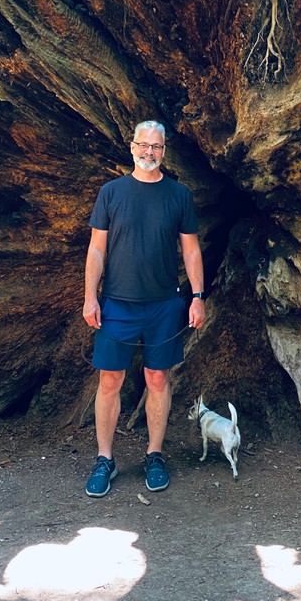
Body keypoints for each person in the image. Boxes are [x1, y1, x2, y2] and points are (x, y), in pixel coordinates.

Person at [82, 120, 205, 497]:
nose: (149, 151)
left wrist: (197, 296)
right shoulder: (111, 192)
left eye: (157, 146)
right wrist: (90, 296)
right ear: (132, 147)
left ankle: (154, 454)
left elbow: (191, 250)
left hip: (165, 304)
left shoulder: (178, 195)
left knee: (157, 379)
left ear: (164, 151)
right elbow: (97, 249)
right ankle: (105, 459)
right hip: (117, 303)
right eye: (143, 144)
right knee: (109, 380)